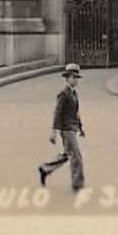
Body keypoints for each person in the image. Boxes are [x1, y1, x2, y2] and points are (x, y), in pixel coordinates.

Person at [37, 63, 86, 191]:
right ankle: (77, 184)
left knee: (67, 154)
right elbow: (57, 113)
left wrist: (80, 127)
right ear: (67, 78)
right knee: (76, 156)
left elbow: (76, 112)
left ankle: (45, 169)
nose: (75, 80)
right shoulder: (64, 93)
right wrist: (54, 132)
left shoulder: (74, 93)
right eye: (73, 77)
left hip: (72, 128)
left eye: (76, 77)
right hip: (66, 130)